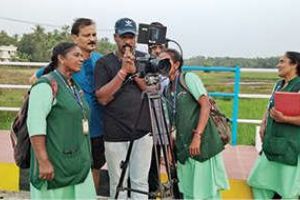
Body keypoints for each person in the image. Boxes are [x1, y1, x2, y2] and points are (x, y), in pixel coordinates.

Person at [30, 18, 105, 193]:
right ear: (74, 38)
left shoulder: (98, 62)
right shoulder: (50, 80)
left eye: (94, 34)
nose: (92, 38)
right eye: (87, 35)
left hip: (93, 131)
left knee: (92, 169)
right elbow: (36, 81)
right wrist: (43, 160)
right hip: (63, 137)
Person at [94, 17, 153, 199]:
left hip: (143, 132)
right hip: (115, 133)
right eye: (124, 37)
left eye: (131, 37)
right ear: (115, 37)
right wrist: (122, 72)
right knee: (118, 182)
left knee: (140, 182)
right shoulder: (104, 63)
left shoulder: (145, 59)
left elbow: (152, 91)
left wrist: (134, 72)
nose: (128, 42)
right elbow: (102, 98)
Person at [161, 48, 229, 199]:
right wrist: (168, 151)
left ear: (177, 64)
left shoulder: (188, 78)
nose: (161, 65)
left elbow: (205, 104)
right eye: (159, 62)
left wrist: (197, 136)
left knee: (206, 193)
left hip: (201, 146)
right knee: (189, 192)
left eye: (165, 61)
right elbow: (171, 124)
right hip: (184, 150)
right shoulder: (166, 90)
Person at [247, 51, 300, 199]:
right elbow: (269, 106)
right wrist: (263, 123)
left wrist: (285, 119)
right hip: (272, 145)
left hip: (291, 148)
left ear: (294, 64)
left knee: (289, 192)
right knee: (257, 182)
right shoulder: (278, 85)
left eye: (282, 61)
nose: (278, 65)